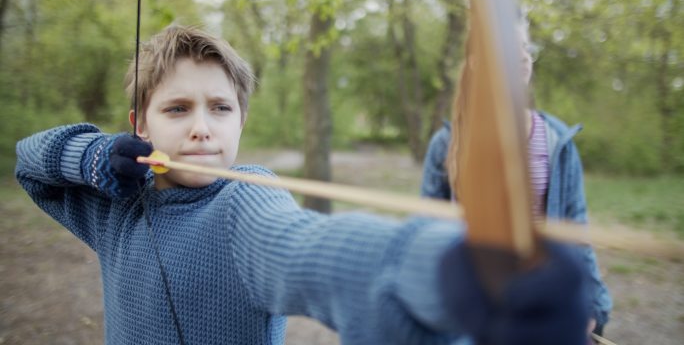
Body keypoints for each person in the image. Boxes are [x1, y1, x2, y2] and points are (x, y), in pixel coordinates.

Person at [17, 25, 590, 345]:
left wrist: (444, 270)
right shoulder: (116, 203)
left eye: (220, 108)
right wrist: (94, 154)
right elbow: (30, 163)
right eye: (177, 108)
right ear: (140, 126)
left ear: (241, 121)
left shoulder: (246, 200)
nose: (201, 127)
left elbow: (309, 250)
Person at [420, 22, 613, 336]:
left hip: (540, 298)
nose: (523, 56)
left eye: (526, 48)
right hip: (471, 303)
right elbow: (425, 232)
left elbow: (576, 230)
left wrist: (593, 306)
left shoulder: (556, 140)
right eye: (511, 48)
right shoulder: (447, 143)